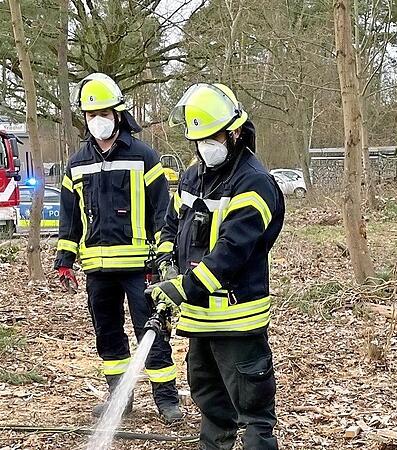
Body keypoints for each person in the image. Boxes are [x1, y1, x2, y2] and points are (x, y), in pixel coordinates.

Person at [149, 83, 284, 449]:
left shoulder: (254, 182)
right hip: (199, 322)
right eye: (200, 140)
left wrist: (182, 287)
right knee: (213, 411)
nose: (206, 146)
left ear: (234, 131)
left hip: (239, 322)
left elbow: (231, 253)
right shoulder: (194, 176)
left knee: (254, 419)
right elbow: (172, 225)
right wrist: (165, 261)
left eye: (213, 137)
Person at [54, 73, 182, 423]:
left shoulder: (144, 157)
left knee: (152, 333)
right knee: (108, 338)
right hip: (97, 269)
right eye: (91, 115)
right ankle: (119, 398)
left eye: (104, 113)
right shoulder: (77, 162)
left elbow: (162, 212)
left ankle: (166, 400)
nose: (98, 121)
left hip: (142, 266)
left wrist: (165, 257)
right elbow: (70, 216)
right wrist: (64, 258)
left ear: (119, 113)